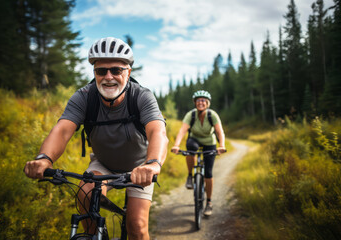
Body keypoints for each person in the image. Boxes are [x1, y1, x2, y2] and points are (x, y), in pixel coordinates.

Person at [24, 37, 168, 240]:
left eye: (116, 70)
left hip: (140, 167)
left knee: (137, 225)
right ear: (94, 73)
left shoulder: (142, 96)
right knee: (85, 192)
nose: (108, 77)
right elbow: (63, 130)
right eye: (101, 71)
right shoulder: (84, 97)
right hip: (103, 164)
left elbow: (157, 132)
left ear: (128, 72)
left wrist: (152, 164)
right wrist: (43, 159)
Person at [171, 90, 226, 216]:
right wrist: (176, 145)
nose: (200, 102)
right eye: (198, 100)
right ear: (195, 102)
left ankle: (209, 202)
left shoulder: (213, 115)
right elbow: (182, 131)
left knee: (208, 173)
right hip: (194, 139)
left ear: (207, 103)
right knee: (190, 148)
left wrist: (221, 145)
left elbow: (219, 132)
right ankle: (190, 175)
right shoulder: (191, 115)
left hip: (209, 142)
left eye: (203, 100)